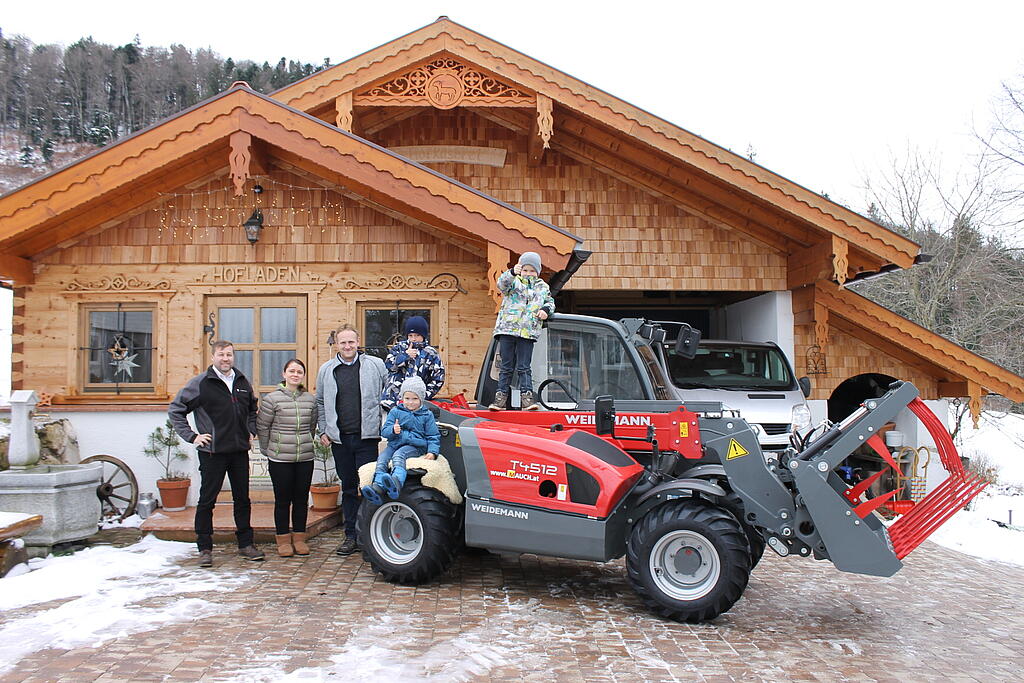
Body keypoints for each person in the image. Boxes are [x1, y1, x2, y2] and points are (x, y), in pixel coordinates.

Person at [168, 340, 264, 568]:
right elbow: (176, 410)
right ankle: (204, 548)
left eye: (229, 355)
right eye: (221, 355)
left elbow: (252, 409)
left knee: (242, 499)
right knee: (207, 501)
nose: (225, 359)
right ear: (212, 357)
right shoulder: (201, 383)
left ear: (233, 357)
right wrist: (193, 437)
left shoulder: (241, 381)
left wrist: (250, 429)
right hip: (212, 453)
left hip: (239, 451)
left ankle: (246, 544)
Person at [315, 323, 387, 556]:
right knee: (347, 489)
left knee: (369, 488)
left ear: (358, 342)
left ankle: (371, 539)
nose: (347, 346)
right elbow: (321, 402)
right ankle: (350, 537)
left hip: (367, 438)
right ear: (337, 344)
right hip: (340, 440)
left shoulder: (376, 366)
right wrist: (324, 430)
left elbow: (388, 395)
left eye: (351, 342)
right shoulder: (327, 369)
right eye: (343, 342)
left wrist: (385, 425)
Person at [256, 358, 317, 558]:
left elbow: (312, 426)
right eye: (291, 371)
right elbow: (263, 426)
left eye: (299, 372)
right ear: (284, 374)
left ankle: (299, 538)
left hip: (305, 457)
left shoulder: (310, 399)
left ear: (303, 376)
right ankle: (282, 539)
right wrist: (268, 449)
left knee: (300, 499)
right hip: (280, 458)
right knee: (282, 500)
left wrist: (307, 441)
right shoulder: (272, 399)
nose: (295, 375)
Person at [489, 251, 555, 411]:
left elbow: (550, 302)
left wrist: (546, 309)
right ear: (520, 269)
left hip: (527, 331)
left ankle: (527, 399)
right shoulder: (513, 282)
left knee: (524, 366)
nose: (528, 273)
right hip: (508, 329)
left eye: (532, 270)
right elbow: (501, 284)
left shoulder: (542, 287)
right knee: (506, 366)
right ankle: (500, 399)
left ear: (537, 272)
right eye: (525, 270)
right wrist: (512, 272)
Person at [362, 376, 440, 504]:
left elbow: (433, 436)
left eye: (415, 399)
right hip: (394, 444)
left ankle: (396, 481)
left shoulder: (427, 415)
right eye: (407, 398)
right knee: (382, 458)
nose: (410, 402)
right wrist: (393, 430)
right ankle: (377, 487)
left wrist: (432, 451)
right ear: (402, 398)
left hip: (414, 446)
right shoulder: (395, 411)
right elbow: (384, 431)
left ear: (421, 399)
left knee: (399, 455)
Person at [379, 315, 445, 410]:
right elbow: (388, 366)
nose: (413, 339)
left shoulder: (431, 353)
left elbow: (438, 378)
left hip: (417, 405)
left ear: (423, 335)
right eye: (410, 335)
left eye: (417, 335)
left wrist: (424, 395)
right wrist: (404, 356)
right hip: (393, 402)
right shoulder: (398, 348)